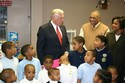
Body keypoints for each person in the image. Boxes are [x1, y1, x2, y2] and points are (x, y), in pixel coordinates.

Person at [106, 16, 125, 83]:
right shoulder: (109, 35)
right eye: (113, 23)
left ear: (122, 25)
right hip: (110, 65)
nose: (113, 25)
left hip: (122, 66)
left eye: (116, 24)